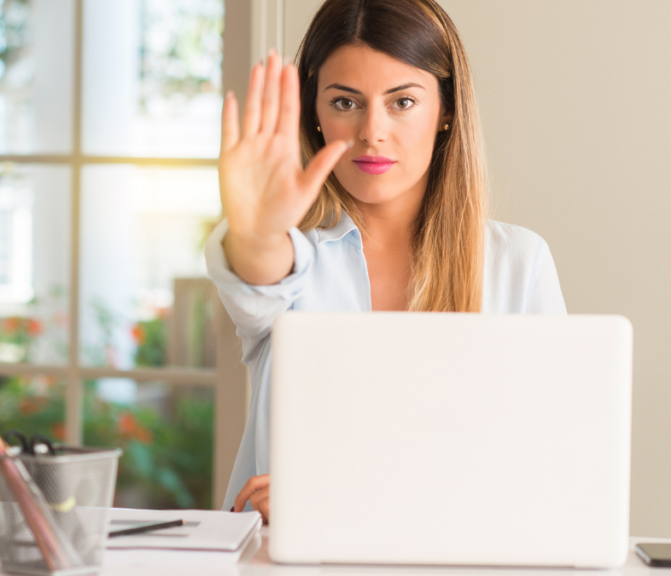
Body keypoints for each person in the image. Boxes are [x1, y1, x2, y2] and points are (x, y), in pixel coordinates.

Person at [206, 0, 566, 521]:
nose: (371, 131)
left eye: (401, 102)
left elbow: (544, 462)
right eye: (346, 103)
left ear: (446, 110)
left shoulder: (517, 263)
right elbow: (260, 275)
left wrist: (336, 496)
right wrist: (258, 232)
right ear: (315, 112)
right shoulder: (295, 253)